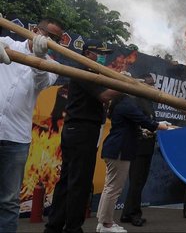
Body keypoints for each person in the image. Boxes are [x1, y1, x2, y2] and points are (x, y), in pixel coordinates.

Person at [45, 39, 120, 233]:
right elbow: (104, 96)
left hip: (76, 131)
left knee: (68, 180)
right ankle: (73, 228)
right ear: (88, 53)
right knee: (80, 181)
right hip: (81, 131)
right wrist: (122, 84)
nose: (103, 58)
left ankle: (54, 226)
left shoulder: (92, 73)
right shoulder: (84, 72)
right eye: (99, 53)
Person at [0, 17, 64, 233]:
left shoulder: (53, 66)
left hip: (16, 139)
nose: (50, 40)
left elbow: (42, 82)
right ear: (35, 30)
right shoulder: (10, 43)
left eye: (56, 39)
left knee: (8, 200)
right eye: (47, 34)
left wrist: (38, 58)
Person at [96, 92, 168, 233]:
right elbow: (144, 120)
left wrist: (144, 131)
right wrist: (160, 125)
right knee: (114, 189)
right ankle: (106, 224)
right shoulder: (126, 104)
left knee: (109, 187)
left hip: (115, 148)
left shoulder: (119, 104)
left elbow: (132, 125)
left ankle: (103, 221)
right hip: (120, 150)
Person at [120, 75, 157, 227]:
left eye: (153, 84)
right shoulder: (136, 100)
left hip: (146, 148)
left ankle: (127, 213)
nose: (153, 86)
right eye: (150, 84)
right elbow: (139, 122)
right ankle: (134, 214)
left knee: (138, 183)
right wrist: (152, 127)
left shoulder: (147, 101)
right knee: (136, 182)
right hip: (139, 148)